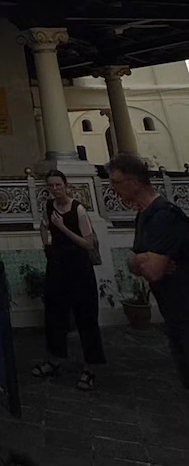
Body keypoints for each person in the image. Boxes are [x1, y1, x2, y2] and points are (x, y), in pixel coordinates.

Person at [109, 152, 189, 389]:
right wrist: (144, 259)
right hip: (172, 313)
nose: (112, 189)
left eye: (115, 182)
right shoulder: (144, 215)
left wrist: (145, 261)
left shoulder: (165, 215)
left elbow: (152, 271)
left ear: (134, 182)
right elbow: (133, 263)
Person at [32, 170, 106, 391]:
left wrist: (63, 227)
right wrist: (47, 246)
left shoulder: (78, 210)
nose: (54, 189)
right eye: (50, 186)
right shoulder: (48, 206)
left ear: (66, 185)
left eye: (57, 185)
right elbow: (44, 226)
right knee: (54, 313)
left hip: (79, 267)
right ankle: (54, 359)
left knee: (86, 316)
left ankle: (90, 367)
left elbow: (88, 244)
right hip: (58, 265)